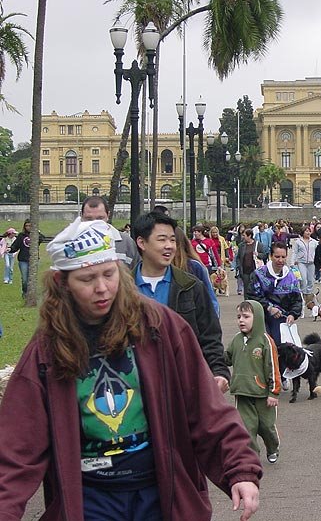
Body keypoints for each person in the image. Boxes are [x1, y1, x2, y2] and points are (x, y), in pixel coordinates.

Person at [0, 218, 261, 520]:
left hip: (160, 493)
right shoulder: (47, 347)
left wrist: (239, 469)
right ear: (62, 284)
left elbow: (207, 409)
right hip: (90, 499)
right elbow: (17, 446)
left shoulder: (161, 327)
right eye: (86, 280)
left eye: (109, 274)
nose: (102, 288)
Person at [132, 212, 230, 392]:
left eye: (172, 240)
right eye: (161, 240)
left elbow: (210, 336)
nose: (169, 246)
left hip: (182, 382)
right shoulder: (123, 289)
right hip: (136, 387)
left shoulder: (191, 286)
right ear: (141, 243)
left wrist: (219, 372)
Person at [226, 300, 281, 464]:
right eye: (238, 317)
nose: (241, 320)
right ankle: (251, 456)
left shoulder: (265, 341)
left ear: (256, 318)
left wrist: (274, 392)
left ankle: (273, 447)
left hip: (263, 394)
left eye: (246, 316)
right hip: (242, 392)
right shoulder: (236, 340)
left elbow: (273, 367)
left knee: (266, 427)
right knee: (246, 428)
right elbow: (227, 358)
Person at [248, 242, 303, 346]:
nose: (280, 260)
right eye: (277, 256)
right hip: (262, 318)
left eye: (283, 257)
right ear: (271, 256)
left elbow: (297, 300)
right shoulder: (258, 274)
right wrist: (269, 308)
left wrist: (293, 314)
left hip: (282, 320)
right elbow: (252, 296)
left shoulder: (291, 277)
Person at [172, 226, 221, 317]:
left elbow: (214, 254)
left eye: (197, 231)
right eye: (194, 231)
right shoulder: (193, 243)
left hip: (207, 266)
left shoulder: (195, 266)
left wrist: (218, 265)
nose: (195, 233)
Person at [80, 195, 141, 267]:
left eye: (100, 218)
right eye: (89, 219)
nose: (94, 223)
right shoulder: (70, 243)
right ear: (81, 216)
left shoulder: (126, 242)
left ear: (108, 215)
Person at [9, 219, 46, 299]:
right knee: (25, 279)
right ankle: (25, 292)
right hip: (23, 260)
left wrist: (37, 232)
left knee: (32, 278)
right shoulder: (21, 236)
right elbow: (15, 246)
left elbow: (42, 238)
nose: (28, 227)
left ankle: (32, 294)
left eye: (30, 226)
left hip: (34, 259)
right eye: (26, 226)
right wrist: (10, 249)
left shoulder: (36, 235)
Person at [292, 225, 318, 311]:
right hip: (301, 262)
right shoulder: (298, 242)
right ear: (303, 232)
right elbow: (294, 252)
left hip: (311, 263)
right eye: (306, 231)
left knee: (311, 280)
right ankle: (303, 295)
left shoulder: (314, 242)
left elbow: (318, 252)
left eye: (309, 231)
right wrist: (292, 262)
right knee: (303, 279)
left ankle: (308, 296)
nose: (308, 232)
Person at [237, 230, 264, 299]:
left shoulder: (258, 245)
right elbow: (238, 258)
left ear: (249, 236)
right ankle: (247, 303)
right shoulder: (241, 245)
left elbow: (264, 255)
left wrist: (258, 254)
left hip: (255, 270)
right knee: (246, 289)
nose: (243, 237)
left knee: (255, 288)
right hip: (245, 271)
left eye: (244, 235)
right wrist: (239, 267)